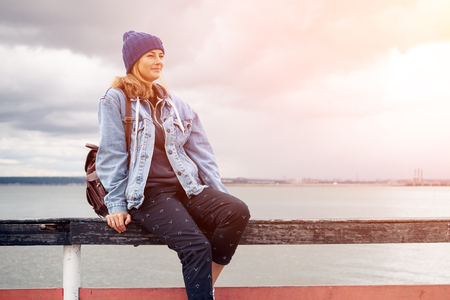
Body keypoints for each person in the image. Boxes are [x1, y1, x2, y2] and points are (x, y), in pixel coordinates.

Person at [96, 30, 250, 300]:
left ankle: (204, 287)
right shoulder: (116, 99)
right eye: (150, 55)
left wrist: (217, 193)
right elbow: (112, 154)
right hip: (147, 194)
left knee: (236, 210)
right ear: (134, 60)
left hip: (187, 188)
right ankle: (202, 294)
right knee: (195, 245)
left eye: (161, 55)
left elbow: (203, 154)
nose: (159, 61)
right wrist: (117, 205)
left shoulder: (175, 104)